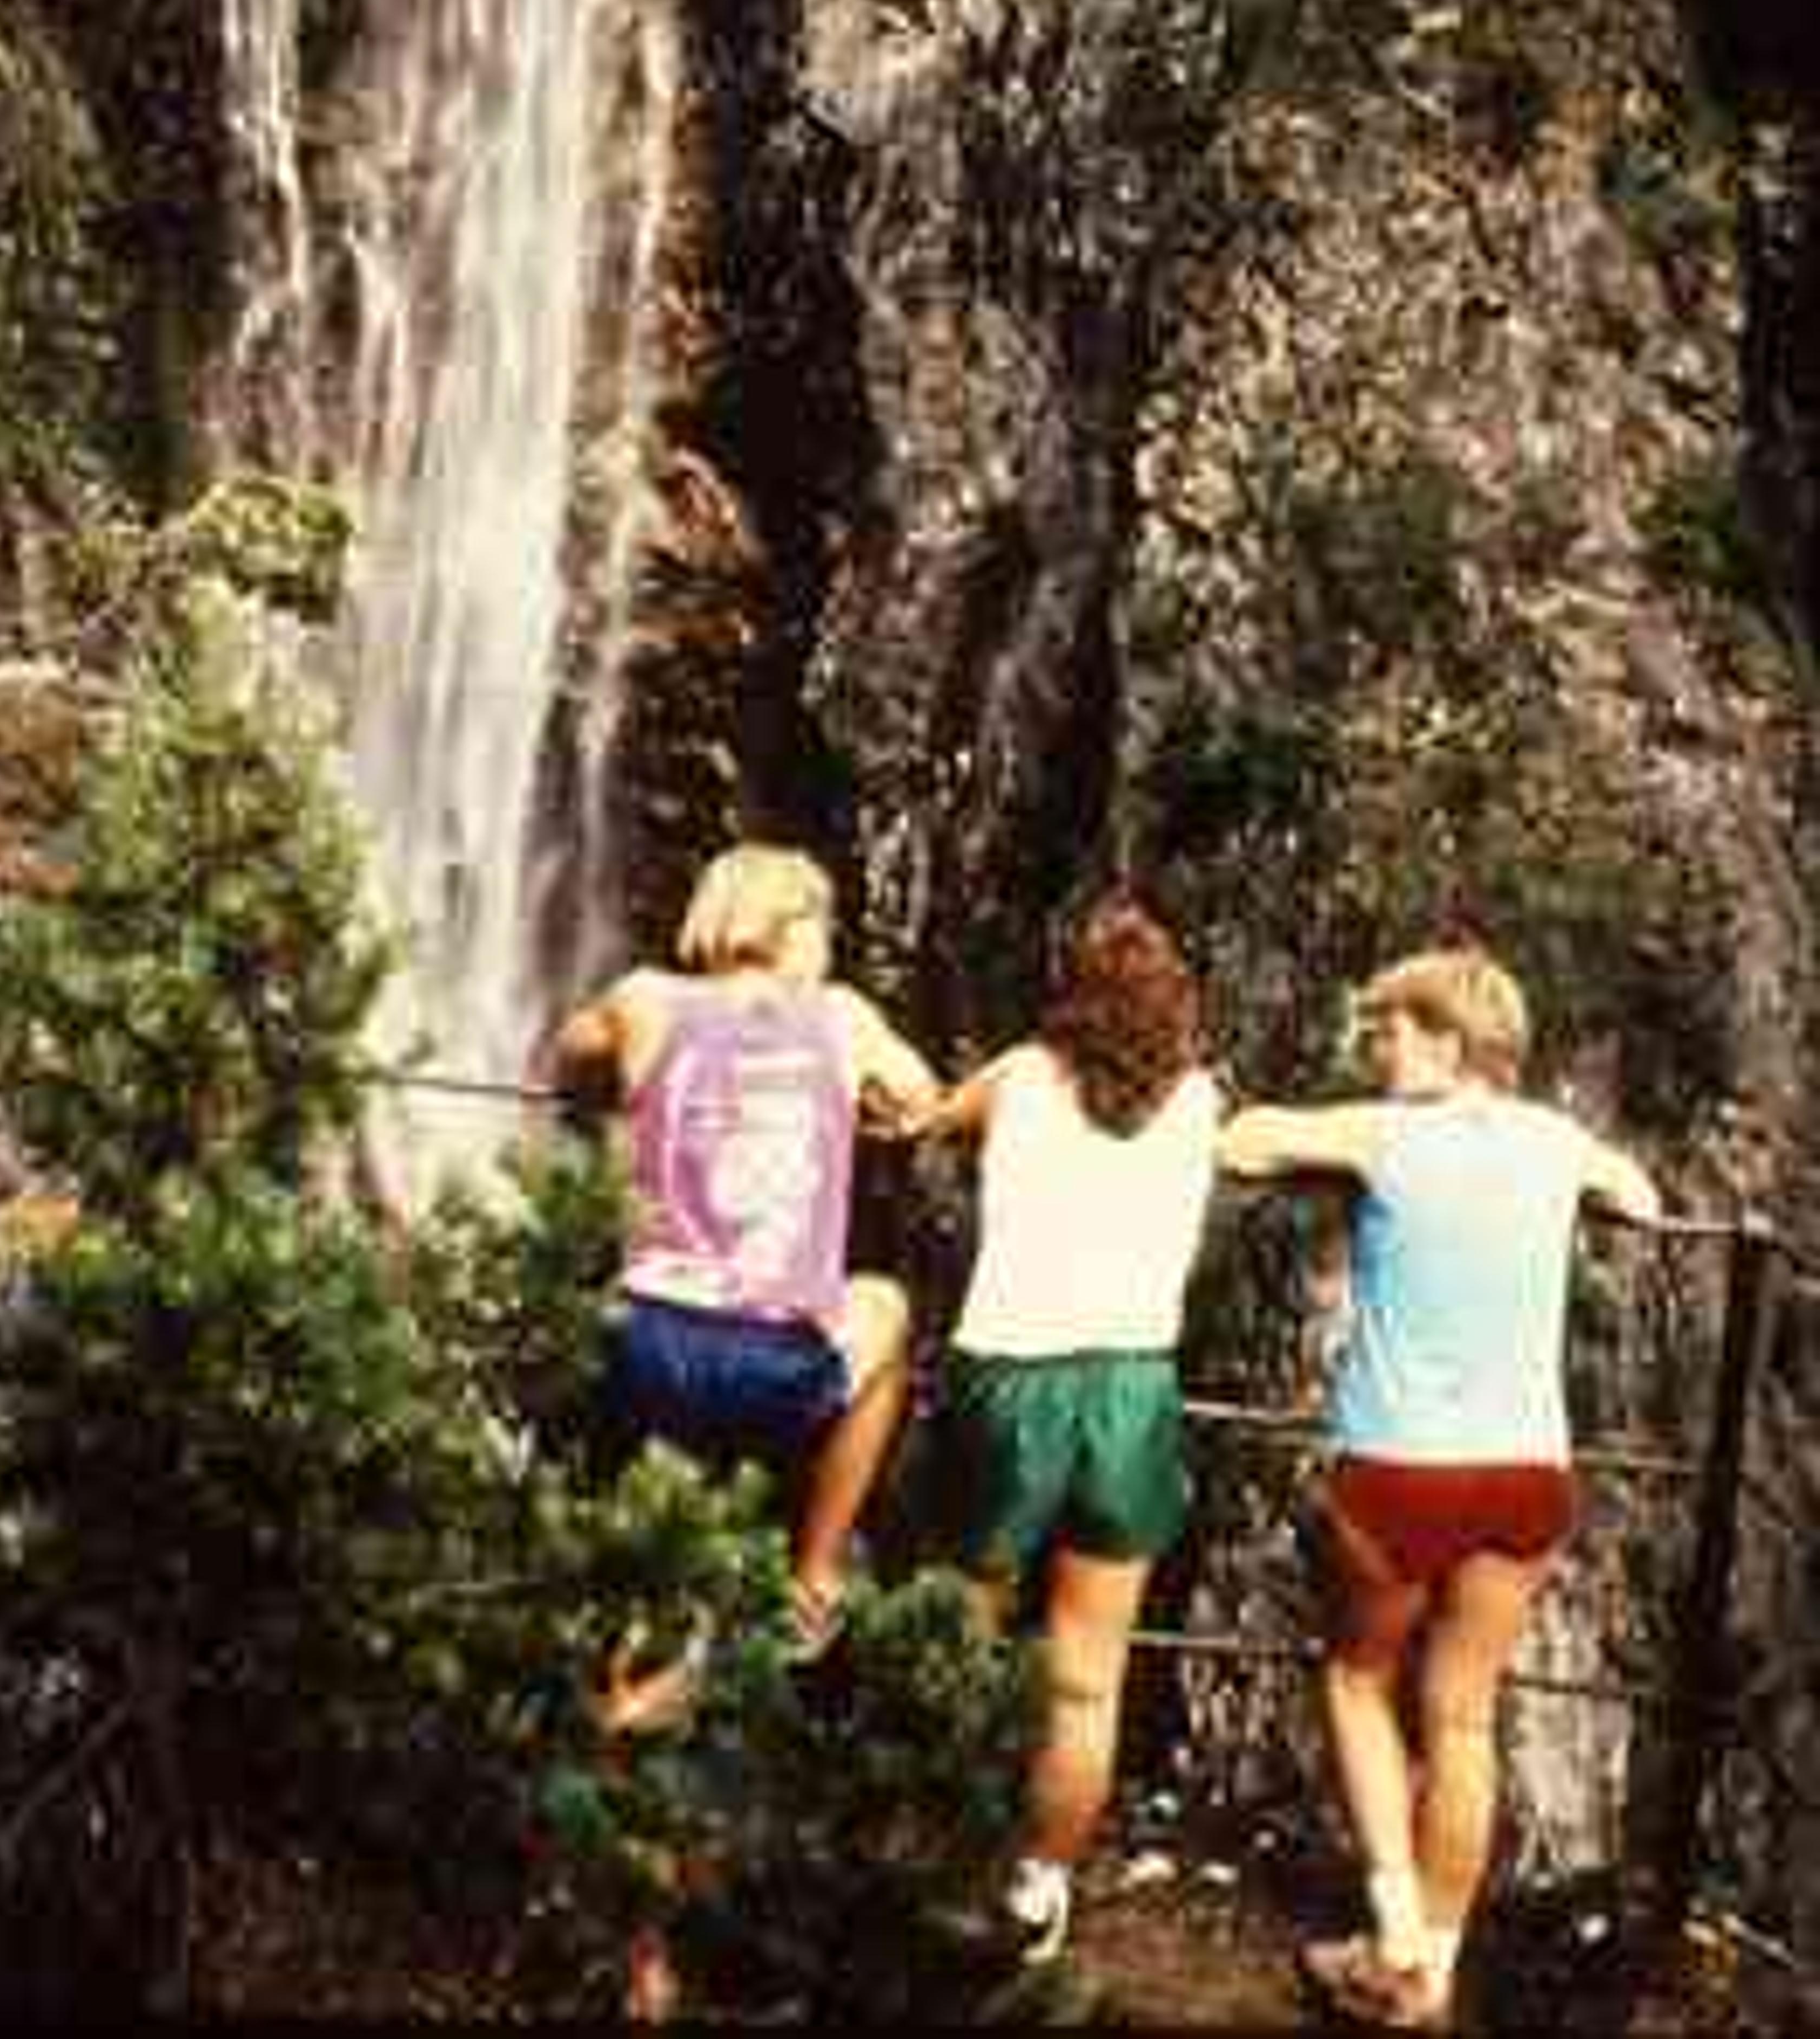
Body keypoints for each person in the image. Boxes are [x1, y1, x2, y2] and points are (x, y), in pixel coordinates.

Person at [1218, 945, 1662, 2031]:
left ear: (1448, 1042)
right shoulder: (1559, 1140)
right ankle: (1437, 1970)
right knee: (1464, 1716)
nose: (1377, 1052)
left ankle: (1396, 1938)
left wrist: (1303, 1137)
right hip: (1527, 1470)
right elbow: (1641, 1198)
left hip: (1401, 1466)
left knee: (1360, 1679)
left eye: (1391, 1032)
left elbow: (1245, 1139)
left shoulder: (1385, 1135)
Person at [910, 889, 1220, 1971]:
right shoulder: (1203, 1103)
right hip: (1134, 1388)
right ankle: (1040, 1893)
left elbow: (922, 1119)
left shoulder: (1018, 1080)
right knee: (1089, 1674)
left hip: (1014, 1378)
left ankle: (930, 1858)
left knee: (964, 1632)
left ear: (1069, 997)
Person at [551, 840, 941, 1662]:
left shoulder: (646, 998)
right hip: (773, 1364)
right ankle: (814, 1576)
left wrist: (624, 1078)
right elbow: (920, 1096)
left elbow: (568, 1059)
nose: (829, 942)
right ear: (788, 924)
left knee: (636, 1600)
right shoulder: (843, 1016)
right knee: (889, 1310)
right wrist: (858, 1103)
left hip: (643, 1349)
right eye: (822, 923)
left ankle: (617, 1688)